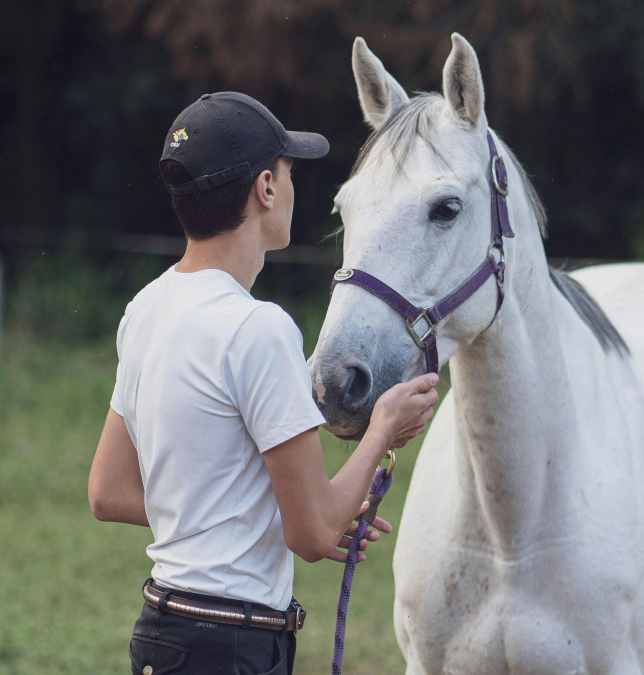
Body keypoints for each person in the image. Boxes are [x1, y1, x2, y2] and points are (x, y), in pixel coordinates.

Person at [87, 92, 439, 675]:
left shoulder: (145, 309)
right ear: (265, 189)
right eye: (289, 172)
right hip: (233, 646)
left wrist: (269, 514)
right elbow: (315, 533)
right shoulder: (260, 328)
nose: (293, 188)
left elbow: (108, 489)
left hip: (161, 636)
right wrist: (381, 431)